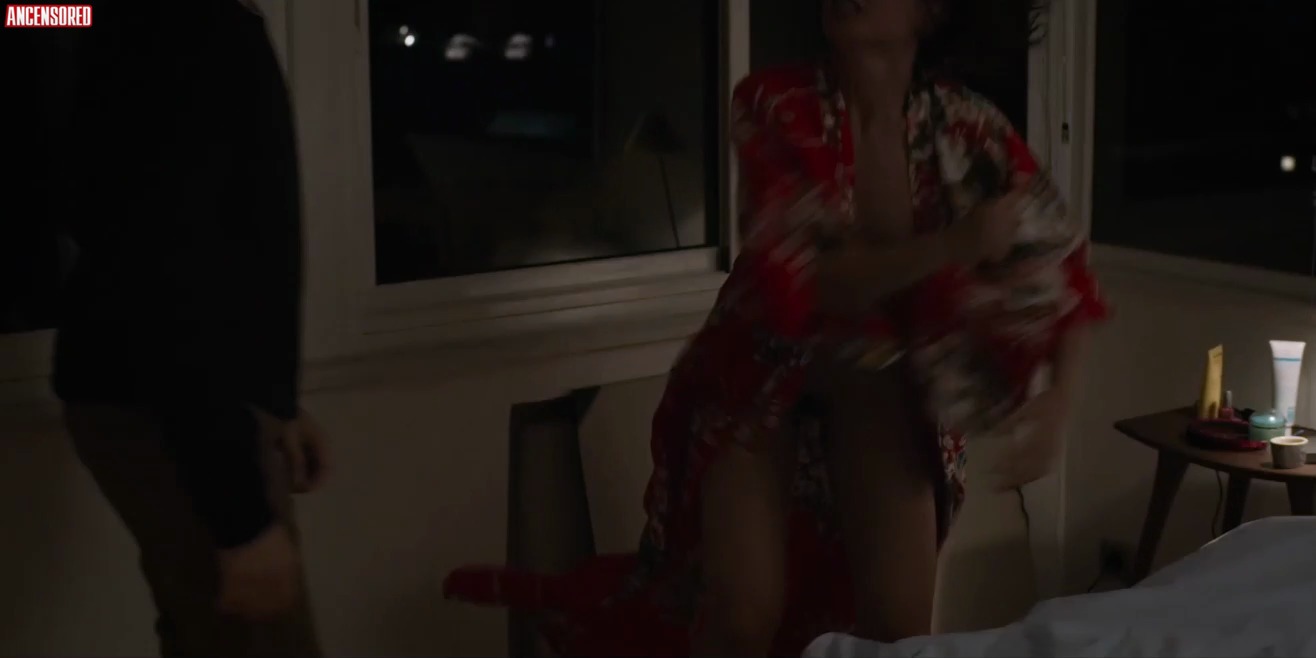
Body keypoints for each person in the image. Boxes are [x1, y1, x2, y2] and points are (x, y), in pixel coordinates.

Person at [443, 0, 1107, 655]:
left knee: (902, 630)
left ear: (931, 11)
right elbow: (809, 279)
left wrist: (1057, 404)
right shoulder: (775, 103)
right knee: (743, 616)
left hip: (876, 383)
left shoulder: (967, 127)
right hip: (759, 372)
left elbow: (1061, 261)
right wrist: (951, 246)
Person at [40, 1, 326, 655]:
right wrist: (239, 518)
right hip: (169, 405)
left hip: (180, 398)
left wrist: (275, 400)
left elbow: (228, 242)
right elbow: (169, 273)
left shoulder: (164, 26)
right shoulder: (183, 30)